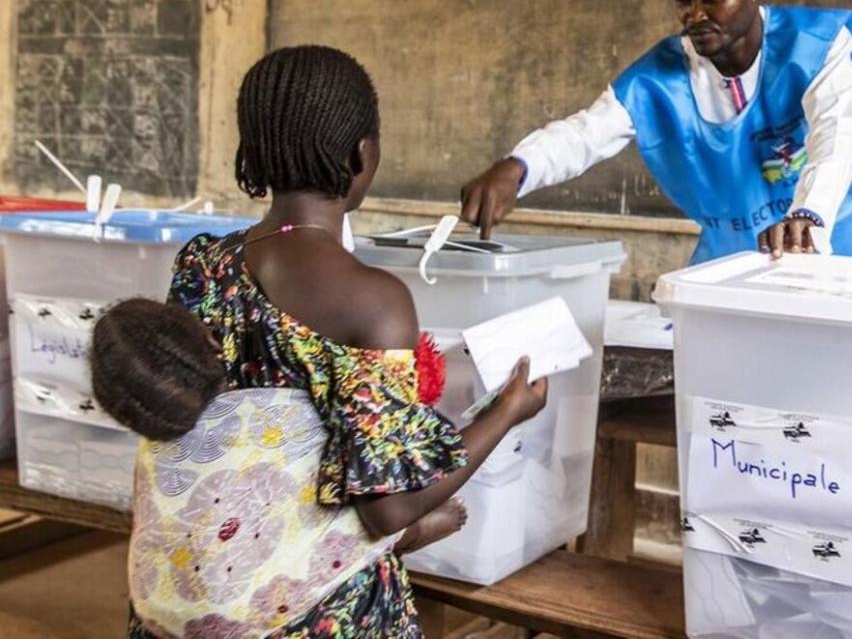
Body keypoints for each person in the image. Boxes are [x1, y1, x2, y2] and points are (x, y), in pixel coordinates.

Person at [90, 45, 547, 639]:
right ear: (364, 155)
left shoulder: (201, 265)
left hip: (194, 595)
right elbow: (388, 506)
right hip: (307, 618)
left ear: (251, 152)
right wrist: (509, 410)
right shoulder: (373, 300)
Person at [460, 0, 852, 265]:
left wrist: (809, 214)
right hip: (749, 250)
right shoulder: (658, 78)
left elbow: (835, 137)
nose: (695, 15)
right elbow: (584, 134)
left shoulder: (815, 44)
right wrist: (517, 167)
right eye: (682, 1)